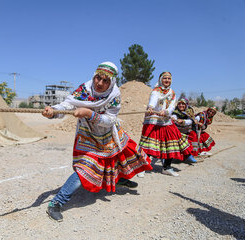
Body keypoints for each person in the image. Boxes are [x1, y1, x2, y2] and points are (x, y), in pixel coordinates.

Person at [42, 62, 152, 222]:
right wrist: (53, 111)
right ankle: (56, 203)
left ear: (112, 82)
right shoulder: (84, 90)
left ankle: (119, 180)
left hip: (109, 134)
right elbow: (67, 105)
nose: (99, 83)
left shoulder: (114, 95)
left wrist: (89, 113)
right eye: (97, 78)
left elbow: (110, 119)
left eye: (105, 80)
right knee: (84, 169)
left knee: (121, 157)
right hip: (88, 136)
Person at [139, 72, 192, 177]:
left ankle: (167, 167)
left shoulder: (172, 93)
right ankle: (142, 167)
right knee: (148, 144)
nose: (167, 80)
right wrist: (150, 107)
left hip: (166, 120)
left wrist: (166, 111)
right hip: (153, 119)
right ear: (160, 80)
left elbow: (172, 106)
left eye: (169, 78)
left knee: (171, 142)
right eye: (165, 78)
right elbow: (153, 100)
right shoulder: (156, 91)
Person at [171, 98, 198, 163]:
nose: (181, 105)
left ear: (186, 105)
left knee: (193, 136)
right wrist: (174, 119)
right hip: (178, 132)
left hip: (187, 130)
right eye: (179, 104)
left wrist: (183, 121)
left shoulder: (190, 111)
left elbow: (191, 121)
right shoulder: (175, 111)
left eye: (183, 104)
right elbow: (174, 116)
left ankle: (190, 155)